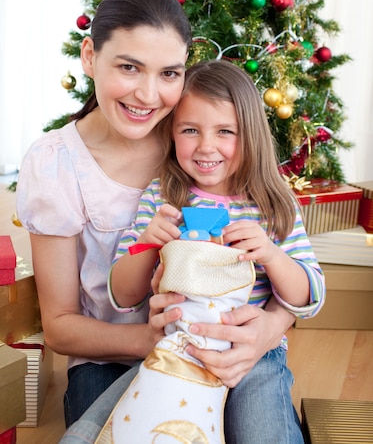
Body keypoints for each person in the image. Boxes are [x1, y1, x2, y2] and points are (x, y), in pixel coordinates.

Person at [15, 0, 306, 441]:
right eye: (129, 67)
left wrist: (266, 330)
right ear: (90, 56)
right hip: (111, 355)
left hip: (226, 343)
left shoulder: (195, 141)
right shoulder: (57, 164)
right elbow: (61, 327)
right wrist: (159, 341)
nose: (149, 95)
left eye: (169, 73)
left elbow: (287, 263)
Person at [98, 60, 326, 443]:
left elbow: (311, 295)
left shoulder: (274, 203)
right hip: (178, 349)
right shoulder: (162, 196)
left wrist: (271, 254)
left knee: (262, 434)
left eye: (225, 131)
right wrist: (147, 245)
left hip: (256, 357)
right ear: (172, 133)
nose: (206, 147)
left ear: (250, 134)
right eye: (190, 130)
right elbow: (123, 295)